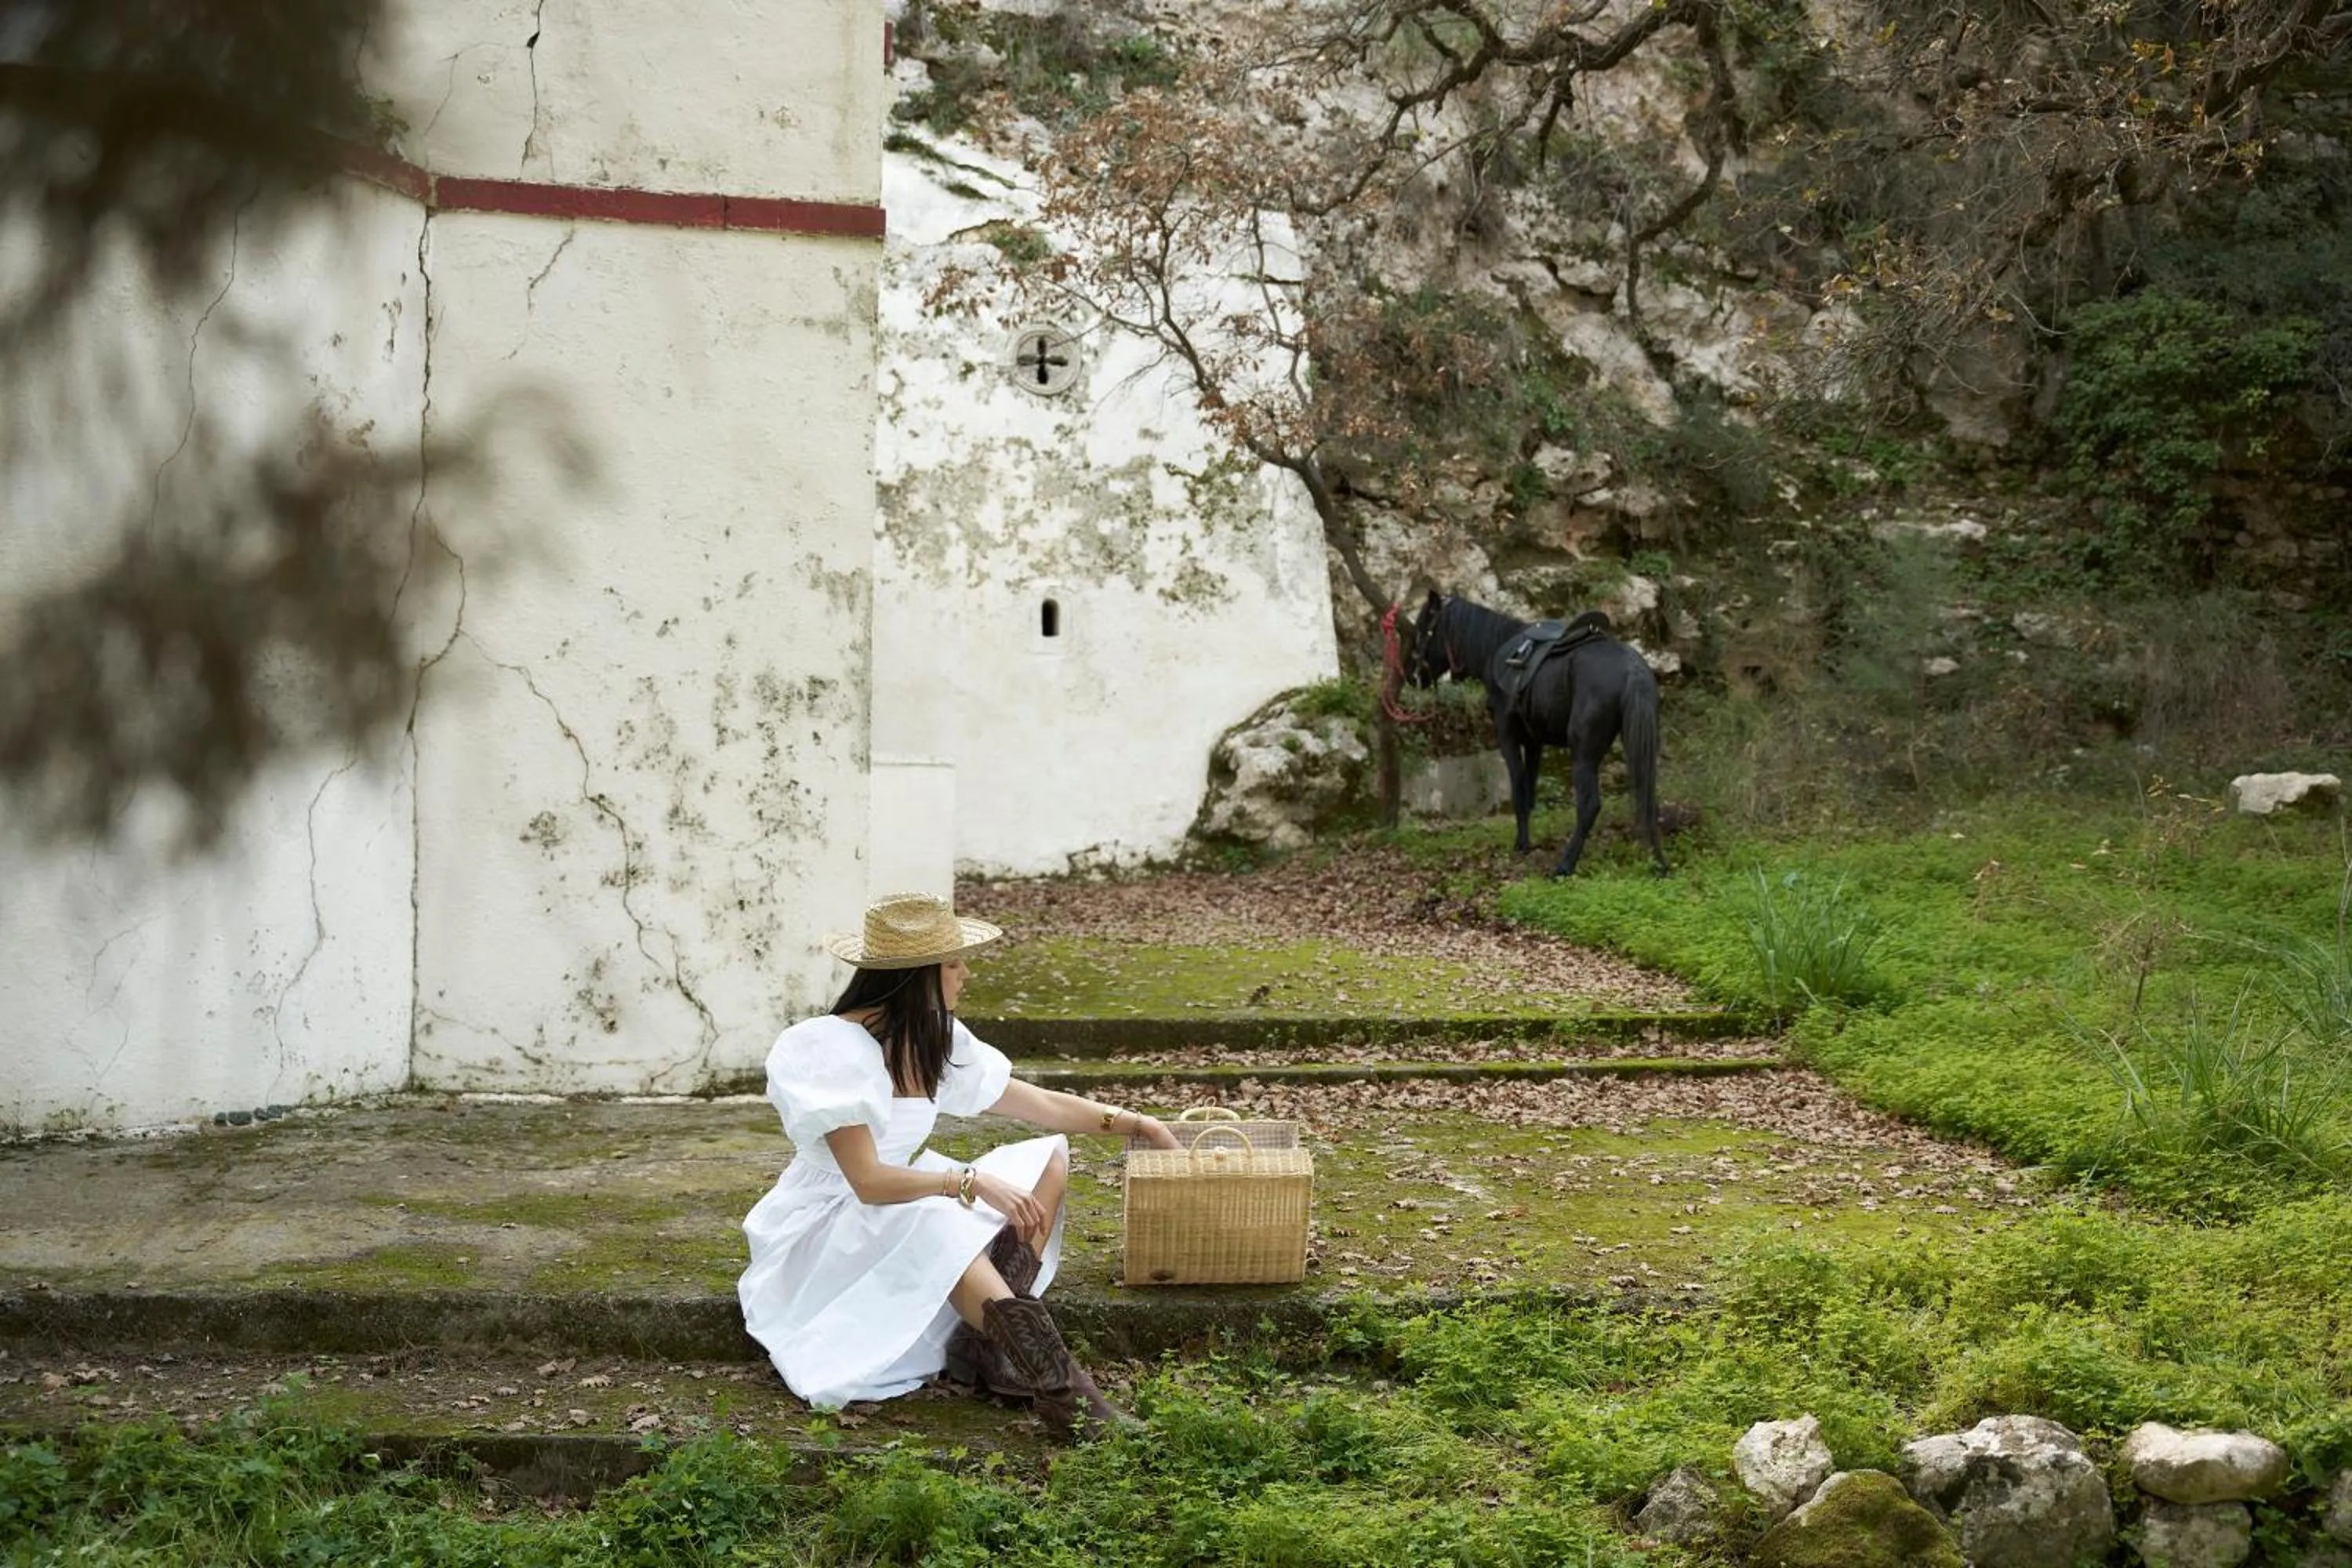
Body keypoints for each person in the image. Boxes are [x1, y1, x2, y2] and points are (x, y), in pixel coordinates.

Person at [738, 891, 1180, 1439]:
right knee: (936, 1217)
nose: (965, 974)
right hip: (831, 1219)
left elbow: (1040, 1105)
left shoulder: (932, 1037)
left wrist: (1138, 1123)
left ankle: (988, 1347)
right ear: (917, 976)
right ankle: (1069, 1400)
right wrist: (967, 1182)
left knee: (1047, 1155)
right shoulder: (830, 1049)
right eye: (952, 965)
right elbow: (868, 1182)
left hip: (900, 1199)